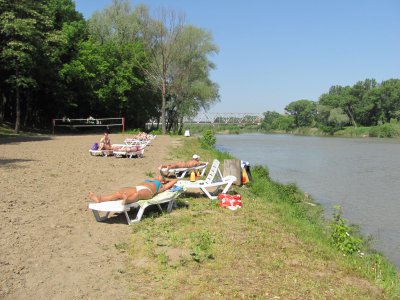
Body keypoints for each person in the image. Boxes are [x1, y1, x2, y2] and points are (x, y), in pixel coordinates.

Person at [88, 176, 178, 205]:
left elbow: (174, 181)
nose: (157, 176)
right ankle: (100, 199)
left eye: (160, 177)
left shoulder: (161, 186)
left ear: (162, 181)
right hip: (136, 187)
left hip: (148, 191)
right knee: (119, 192)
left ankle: (127, 200)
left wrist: (168, 180)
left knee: (138, 194)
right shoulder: (149, 180)